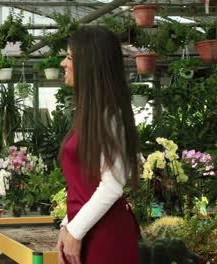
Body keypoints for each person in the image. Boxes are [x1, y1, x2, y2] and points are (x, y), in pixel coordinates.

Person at [57, 26, 140, 264]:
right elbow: (83, 185)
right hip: (87, 232)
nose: (64, 63)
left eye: (70, 57)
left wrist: (75, 231)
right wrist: (66, 226)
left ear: (90, 64)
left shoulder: (109, 116)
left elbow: (113, 185)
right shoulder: (89, 114)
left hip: (105, 239)